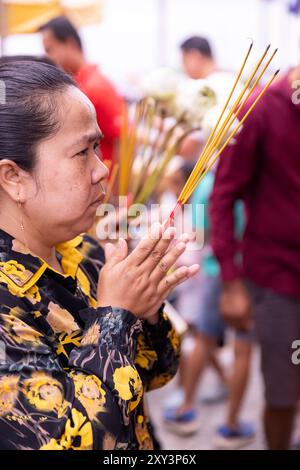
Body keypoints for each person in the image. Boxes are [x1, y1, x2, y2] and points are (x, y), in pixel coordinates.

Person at [0, 60, 199, 450]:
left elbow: (158, 373)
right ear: (14, 178)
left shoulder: (85, 250)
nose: (102, 169)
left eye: (97, 146)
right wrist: (115, 316)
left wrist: (146, 306)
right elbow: (72, 442)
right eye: (82, 152)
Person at [210, 66, 300, 450]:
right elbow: (223, 195)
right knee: (283, 393)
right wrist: (231, 280)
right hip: (279, 280)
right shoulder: (258, 110)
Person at [39, 16, 124, 163]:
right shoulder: (80, 86)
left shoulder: (95, 88)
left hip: (106, 181)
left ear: (70, 44)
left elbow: (123, 140)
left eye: (49, 49)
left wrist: (119, 186)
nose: (47, 57)